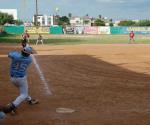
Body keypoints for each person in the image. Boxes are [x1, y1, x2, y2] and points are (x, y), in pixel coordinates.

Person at [2, 46, 39, 114]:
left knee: (24, 91)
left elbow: (9, 54)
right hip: (21, 79)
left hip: (12, 79)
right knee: (24, 94)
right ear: (28, 54)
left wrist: (15, 52)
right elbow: (25, 56)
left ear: (22, 51)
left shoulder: (15, 55)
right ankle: (11, 106)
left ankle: (30, 100)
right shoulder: (29, 59)